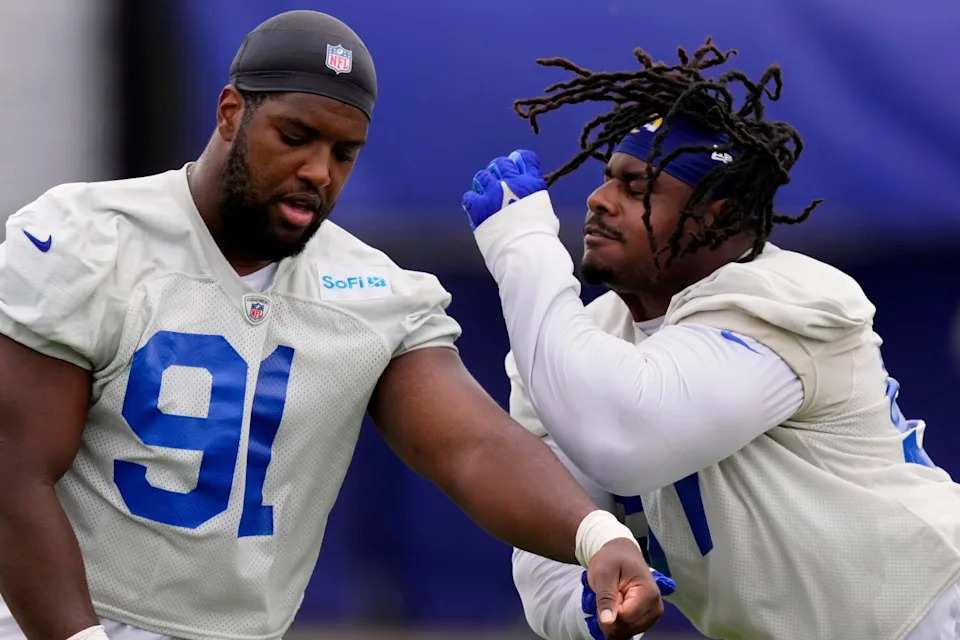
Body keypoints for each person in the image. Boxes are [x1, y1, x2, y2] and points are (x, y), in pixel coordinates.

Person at [0, 11, 670, 640]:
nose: (317, 172)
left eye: (344, 154)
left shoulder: (371, 289)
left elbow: (472, 446)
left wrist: (597, 535)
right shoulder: (87, 237)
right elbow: (13, 468)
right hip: (52, 619)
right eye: (295, 138)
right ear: (231, 112)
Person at [460, 39, 960, 640]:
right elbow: (552, 536)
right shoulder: (578, 347)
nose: (598, 200)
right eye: (605, 180)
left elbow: (624, 434)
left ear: (717, 217)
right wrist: (586, 608)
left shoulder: (789, 296)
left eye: (637, 187)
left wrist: (524, 249)